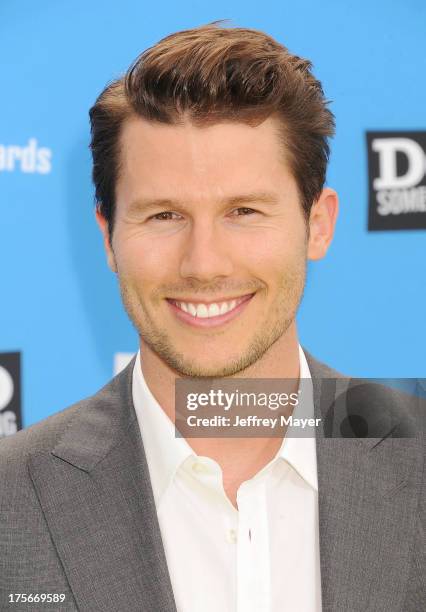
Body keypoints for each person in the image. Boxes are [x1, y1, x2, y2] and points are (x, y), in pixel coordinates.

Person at [0, 23, 424, 612]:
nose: (203, 264)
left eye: (244, 211)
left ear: (318, 224)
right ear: (108, 238)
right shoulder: (9, 500)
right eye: (164, 215)